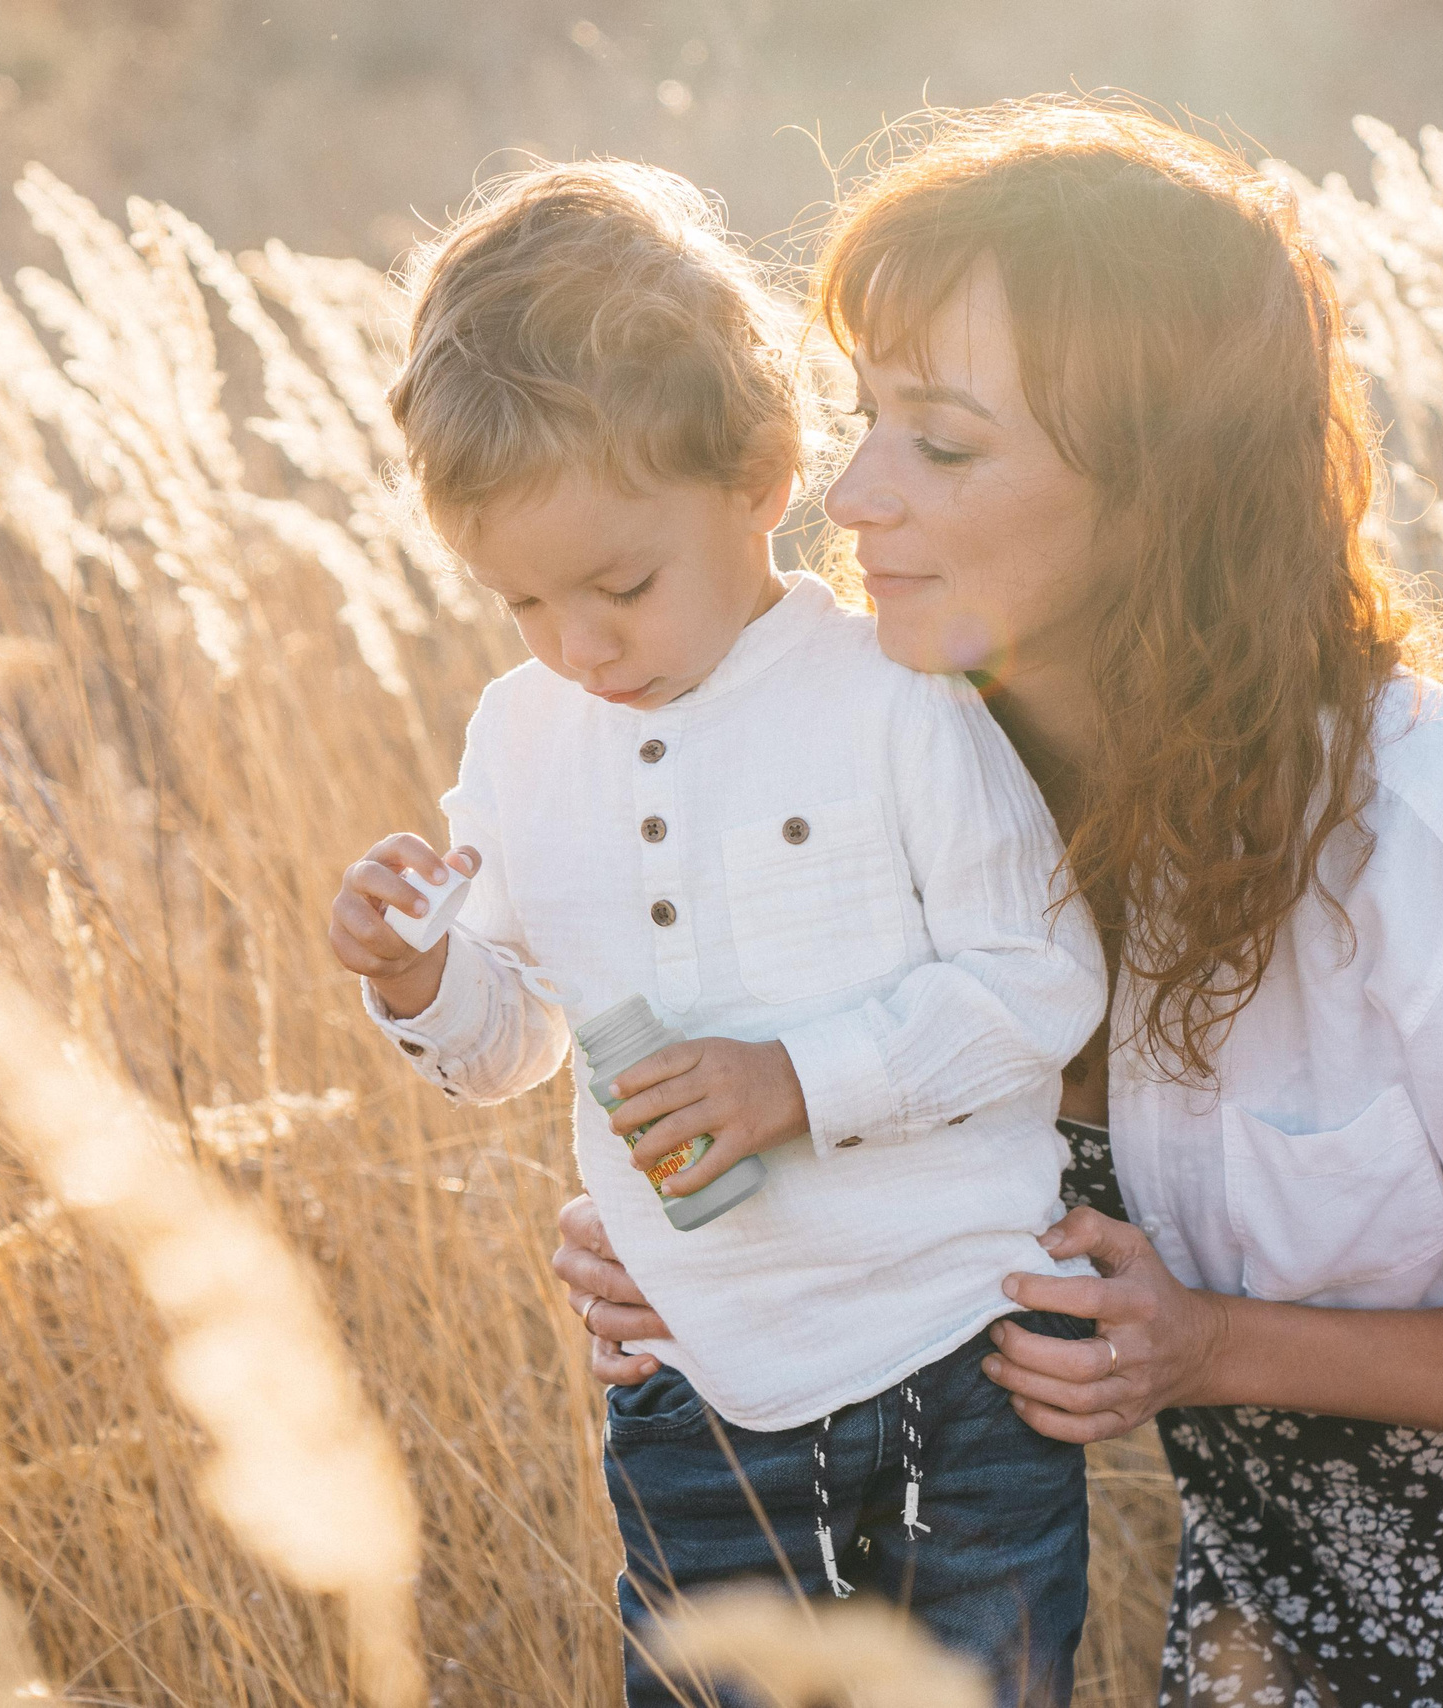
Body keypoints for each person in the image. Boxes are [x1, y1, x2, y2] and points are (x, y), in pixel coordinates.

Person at [554, 103, 1443, 1707]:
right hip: (1306, 1570)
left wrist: (1208, 1348)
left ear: (1163, 492)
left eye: (944, 441)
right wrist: (707, 1245)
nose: (850, 497)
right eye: (866, 419)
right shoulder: (878, 778)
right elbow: (849, 1126)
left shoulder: (1438, 845)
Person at [325, 161, 1107, 1708]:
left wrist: (795, 1082)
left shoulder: (893, 695)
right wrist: (421, 977)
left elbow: (1043, 983)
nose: (578, 646)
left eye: (620, 583)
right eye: (522, 604)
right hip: (691, 1382)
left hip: (960, 1361)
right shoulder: (525, 735)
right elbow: (513, 1044)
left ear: (760, 474)